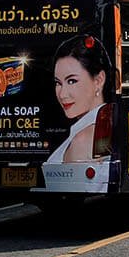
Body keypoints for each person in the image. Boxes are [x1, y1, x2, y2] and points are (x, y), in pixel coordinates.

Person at [46, 35, 114, 164]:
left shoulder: (82, 141)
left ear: (99, 80)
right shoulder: (106, 123)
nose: (62, 94)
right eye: (58, 83)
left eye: (72, 81)